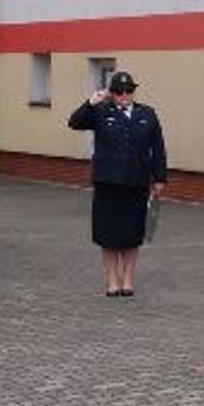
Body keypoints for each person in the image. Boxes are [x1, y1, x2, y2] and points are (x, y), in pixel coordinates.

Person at [68, 71, 168, 297]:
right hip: (108, 182)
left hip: (136, 182)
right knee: (109, 234)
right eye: (118, 92)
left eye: (128, 91)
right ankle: (112, 280)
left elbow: (158, 148)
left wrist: (160, 177)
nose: (124, 95)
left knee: (132, 234)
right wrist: (90, 103)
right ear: (111, 93)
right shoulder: (101, 112)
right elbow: (74, 123)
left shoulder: (147, 114)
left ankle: (128, 279)